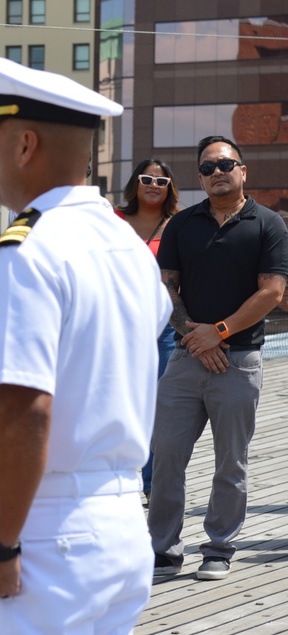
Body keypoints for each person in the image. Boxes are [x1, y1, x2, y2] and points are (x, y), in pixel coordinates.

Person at [0, 57, 171, 634]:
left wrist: (2, 545)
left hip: (43, 529)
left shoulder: (24, 251)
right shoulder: (127, 247)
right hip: (124, 520)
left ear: (25, 144)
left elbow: (24, 408)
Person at [149, 135, 288, 581]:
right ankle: (163, 550)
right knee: (166, 454)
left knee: (232, 461)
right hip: (187, 360)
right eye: (207, 168)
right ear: (200, 177)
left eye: (225, 164)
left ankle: (219, 547)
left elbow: (272, 291)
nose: (217, 173)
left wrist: (220, 332)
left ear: (243, 170)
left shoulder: (268, 224)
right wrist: (194, 336)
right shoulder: (181, 224)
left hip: (239, 359)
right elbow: (165, 287)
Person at [117, 158, 181, 504]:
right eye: (147, 179)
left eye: (161, 181)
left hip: (165, 329)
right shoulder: (115, 220)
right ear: (135, 184)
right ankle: (123, 477)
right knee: (122, 403)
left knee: (159, 405)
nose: (154, 185)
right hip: (119, 327)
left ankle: (150, 483)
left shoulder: (179, 225)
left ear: (169, 187)